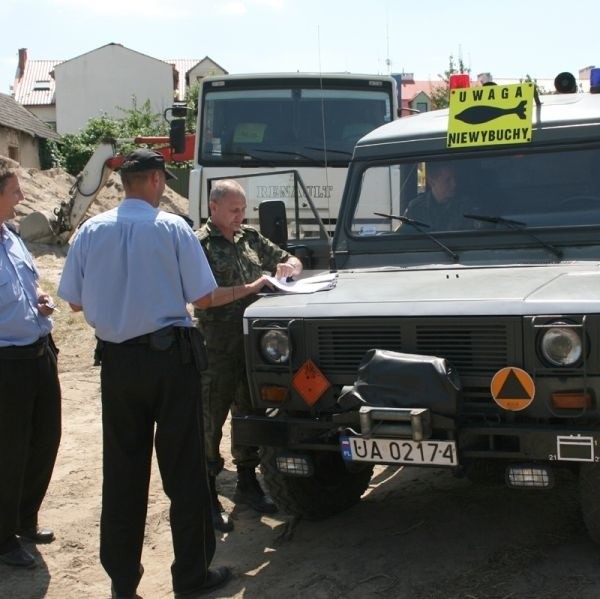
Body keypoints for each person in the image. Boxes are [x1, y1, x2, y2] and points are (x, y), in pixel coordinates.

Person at [58, 149, 260, 598]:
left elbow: (72, 301)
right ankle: (190, 577)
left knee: (123, 473)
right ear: (154, 181)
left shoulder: (90, 230)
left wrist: (117, 302)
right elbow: (203, 296)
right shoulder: (171, 228)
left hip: (118, 364)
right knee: (184, 474)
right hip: (172, 363)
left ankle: (123, 584)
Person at [195, 179, 303, 532]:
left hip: (252, 346)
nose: (241, 216)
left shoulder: (249, 238)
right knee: (209, 421)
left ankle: (247, 481)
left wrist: (288, 268)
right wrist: (254, 286)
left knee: (249, 412)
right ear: (214, 208)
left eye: (243, 210)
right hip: (216, 347)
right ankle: (206, 495)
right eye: (234, 210)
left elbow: (291, 258)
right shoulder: (199, 245)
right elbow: (204, 298)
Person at [0, 158, 61, 569]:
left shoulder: (13, 236)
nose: (22, 197)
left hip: (40, 350)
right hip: (7, 362)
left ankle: (25, 519)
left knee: (46, 439)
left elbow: (30, 284)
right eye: (14, 190)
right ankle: (3, 538)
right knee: (9, 451)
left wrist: (41, 301)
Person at [404, 162, 471, 231]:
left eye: (455, 178)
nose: (454, 184)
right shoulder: (416, 207)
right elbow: (407, 236)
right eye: (448, 180)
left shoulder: (466, 206)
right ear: (431, 181)